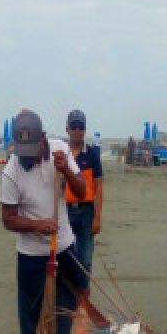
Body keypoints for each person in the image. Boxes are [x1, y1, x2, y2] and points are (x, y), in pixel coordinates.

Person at [1, 109, 88, 334]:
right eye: (23, 152)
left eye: (32, 151)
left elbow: (82, 192)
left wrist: (68, 172)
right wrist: (37, 225)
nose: (27, 158)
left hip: (64, 248)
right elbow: (7, 219)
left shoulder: (60, 150)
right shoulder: (11, 172)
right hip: (31, 257)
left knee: (68, 306)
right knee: (31, 316)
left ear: (44, 138)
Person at [63, 109, 103, 275]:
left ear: (85, 130)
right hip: (64, 211)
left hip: (87, 212)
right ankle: (67, 297)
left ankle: (83, 297)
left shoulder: (93, 154)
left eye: (81, 126)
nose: (77, 130)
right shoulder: (61, 153)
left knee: (85, 259)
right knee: (65, 257)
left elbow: (99, 187)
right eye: (74, 126)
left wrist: (97, 217)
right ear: (67, 129)